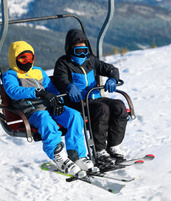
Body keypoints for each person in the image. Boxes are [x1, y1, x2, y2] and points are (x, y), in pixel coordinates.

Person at [2, 41, 99, 178]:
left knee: (74, 116)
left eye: (31, 58)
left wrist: (57, 100)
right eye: (23, 59)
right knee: (47, 122)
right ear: (15, 59)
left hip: (50, 107)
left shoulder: (38, 71)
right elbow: (13, 91)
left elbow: (50, 88)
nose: (28, 62)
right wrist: (37, 92)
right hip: (33, 111)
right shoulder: (10, 75)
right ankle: (58, 156)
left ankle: (77, 155)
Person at [52, 29, 128, 166]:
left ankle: (113, 146)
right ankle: (99, 151)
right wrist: (68, 86)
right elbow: (60, 79)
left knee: (119, 106)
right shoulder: (63, 63)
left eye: (84, 50)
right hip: (78, 102)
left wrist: (112, 78)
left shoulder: (91, 60)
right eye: (78, 51)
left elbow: (111, 69)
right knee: (102, 109)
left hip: (95, 97)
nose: (82, 54)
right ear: (70, 49)